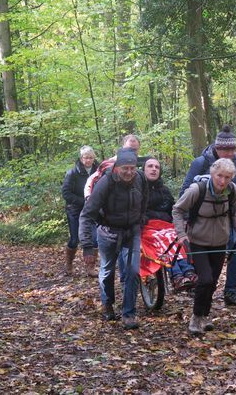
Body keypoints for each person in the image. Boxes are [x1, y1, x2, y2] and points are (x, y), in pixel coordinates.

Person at [179, 125, 236, 306]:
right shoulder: (201, 163)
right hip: (203, 221)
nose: (229, 153)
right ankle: (201, 287)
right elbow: (185, 192)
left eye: (232, 149)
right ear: (217, 148)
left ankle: (231, 291)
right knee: (206, 257)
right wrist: (188, 221)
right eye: (225, 149)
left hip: (228, 216)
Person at [173, 158, 236, 335]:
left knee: (212, 282)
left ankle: (205, 315)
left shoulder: (232, 191)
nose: (223, 181)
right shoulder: (198, 190)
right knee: (205, 279)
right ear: (213, 174)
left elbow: (235, 211)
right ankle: (196, 317)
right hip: (197, 241)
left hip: (221, 242)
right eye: (220, 176)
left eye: (227, 177)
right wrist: (181, 234)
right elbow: (177, 210)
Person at [79, 148, 148, 330]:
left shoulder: (140, 179)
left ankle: (129, 313)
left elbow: (144, 202)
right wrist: (87, 245)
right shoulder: (106, 182)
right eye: (125, 168)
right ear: (117, 168)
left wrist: (140, 221)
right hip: (108, 231)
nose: (129, 172)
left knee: (133, 271)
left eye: (132, 168)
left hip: (132, 231)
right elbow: (87, 215)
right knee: (107, 271)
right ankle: (107, 304)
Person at [142, 158, 196, 291]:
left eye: (157, 167)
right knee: (164, 240)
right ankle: (177, 276)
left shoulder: (164, 190)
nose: (154, 169)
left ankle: (189, 272)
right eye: (150, 166)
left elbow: (174, 208)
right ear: (143, 170)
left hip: (166, 225)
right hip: (147, 226)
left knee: (177, 238)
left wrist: (183, 219)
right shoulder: (138, 189)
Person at [61, 146, 99, 276]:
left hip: (93, 210)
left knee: (94, 239)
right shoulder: (72, 173)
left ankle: (90, 268)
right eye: (85, 157)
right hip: (75, 210)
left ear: (94, 158)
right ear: (81, 158)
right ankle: (69, 264)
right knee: (75, 239)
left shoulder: (99, 171)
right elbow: (66, 193)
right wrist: (85, 201)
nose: (88, 160)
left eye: (90, 157)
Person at [84, 134, 141, 199]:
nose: (131, 152)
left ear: (139, 149)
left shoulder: (145, 164)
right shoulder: (110, 163)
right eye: (129, 149)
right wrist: (88, 197)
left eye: (135, 150)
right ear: (123, 147)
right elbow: (91, 180)